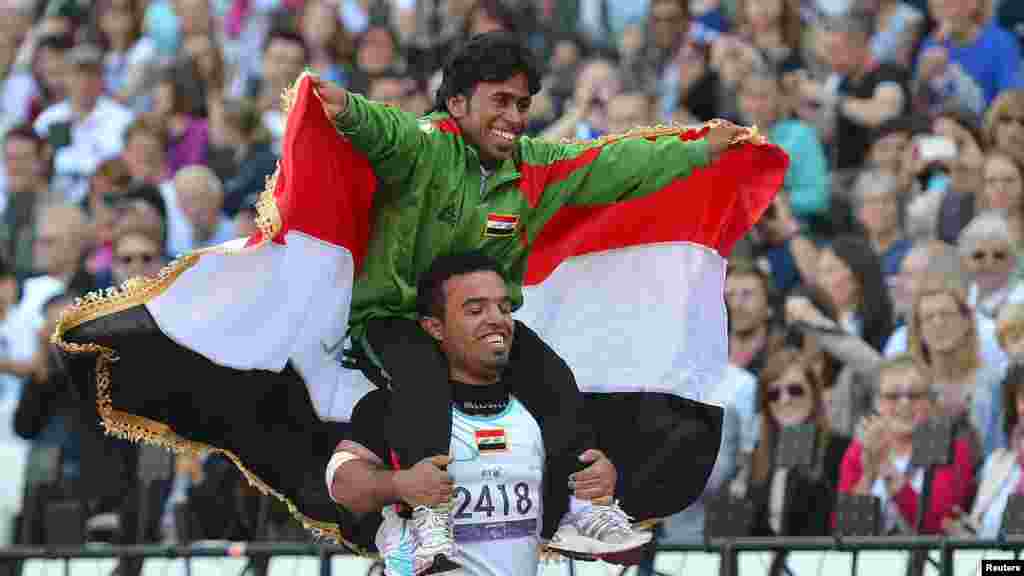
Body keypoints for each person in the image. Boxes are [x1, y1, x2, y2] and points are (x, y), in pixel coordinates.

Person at [311, 30, 750, 572]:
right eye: (500, 100)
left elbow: (613, 164)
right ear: (456, 103)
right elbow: (388, 130)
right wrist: (348, 110)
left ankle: (578, 509)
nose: (515, 116)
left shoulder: (534, 168)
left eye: (523, 104)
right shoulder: (425, 145)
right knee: (422, 374)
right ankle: (421, 517)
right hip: (391, 319)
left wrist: (700, 149)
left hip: (476, 325)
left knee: (551, 377)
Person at [328, 252, 626, 575]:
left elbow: (581, 482)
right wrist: (399, 485)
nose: (496, 318)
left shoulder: (544, 411)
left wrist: (595, 483)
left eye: (504, 307)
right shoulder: (394, 407)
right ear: (434, 327)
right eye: (475, 310)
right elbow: (341, 484)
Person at [838, 355, 976, 534]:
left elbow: (936, 526)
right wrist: (869, 476)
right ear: (878, 403)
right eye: (893, 396)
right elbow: (844, 532)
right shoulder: (859, 450)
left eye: (915, 396)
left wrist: (887, 470)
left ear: (929, 402)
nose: (904, 404)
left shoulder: (950, 447)